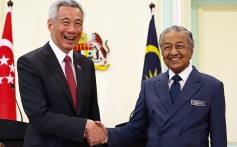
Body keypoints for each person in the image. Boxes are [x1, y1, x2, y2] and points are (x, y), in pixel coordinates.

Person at [92, 25, 227, 147]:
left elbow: (219, 139)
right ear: (161, 52)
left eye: (180, 46)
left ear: (191, 50)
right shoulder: (149, 86)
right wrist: (105, 134)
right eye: (167, 47)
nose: (173, 52)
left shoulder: (212, 87)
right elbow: (135, 129)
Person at [17, 0, 106, 146]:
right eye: (65, 22)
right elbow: (39, 115)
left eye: (78, 23)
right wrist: (84, 125)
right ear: (50, 25)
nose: (72, 30)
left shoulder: (86, 64)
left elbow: (93, 113)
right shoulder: (30, 62)